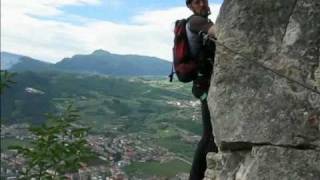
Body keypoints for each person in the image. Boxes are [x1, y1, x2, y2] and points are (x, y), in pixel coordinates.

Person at [185, 0, 218, 179]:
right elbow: (219, 33)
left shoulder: (199, 22)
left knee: (211, 133)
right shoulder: (196, 22)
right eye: (197, 2)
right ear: (190, 6)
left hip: (204, 83)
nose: (203, 4)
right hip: (204, 85)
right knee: (209, 134)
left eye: (204, 0)